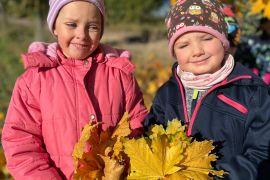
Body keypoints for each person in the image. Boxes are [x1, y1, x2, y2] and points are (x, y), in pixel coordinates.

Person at [1, 0, 148, 179]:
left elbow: (137, 125)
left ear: (101, 30)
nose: (82, 35)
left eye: (92, 27)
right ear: (54, 27)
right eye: (71, 25)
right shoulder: (34, 80)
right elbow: (21, 142)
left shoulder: (120, 76)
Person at [143, 0, 270, 179]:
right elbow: (151, 141)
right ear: (175, 52)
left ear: (223, 41)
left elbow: (261, 154)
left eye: (207, 38)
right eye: (183, 45)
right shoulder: (167, 93)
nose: (197, 51)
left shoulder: (252, 92)